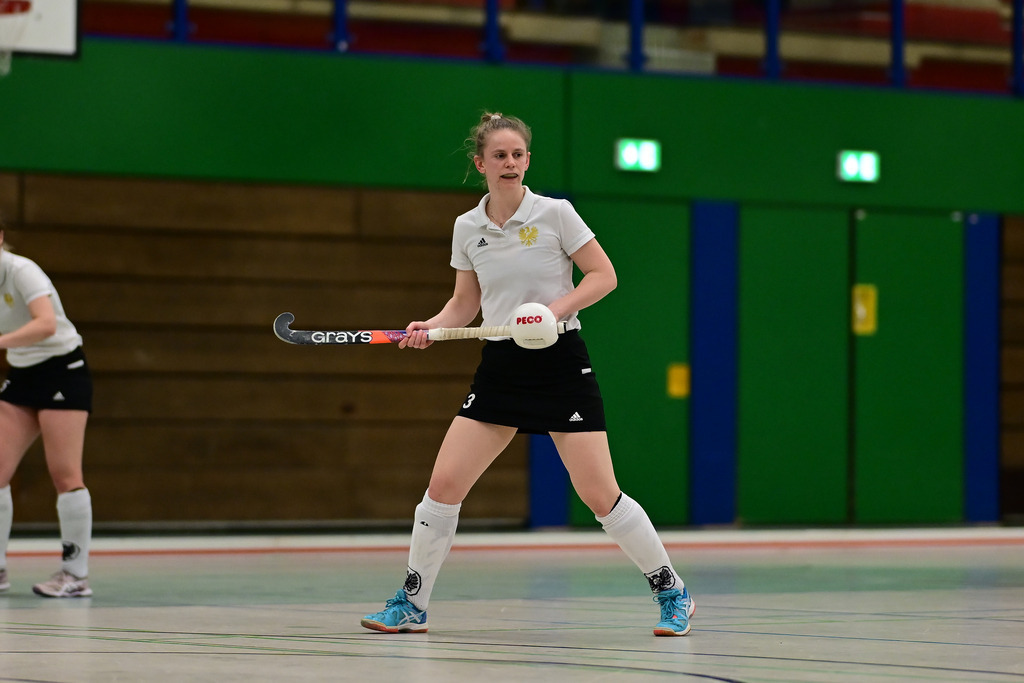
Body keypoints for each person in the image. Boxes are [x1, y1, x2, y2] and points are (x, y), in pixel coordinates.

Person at [360, 112, 694, 636]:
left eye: (518, 155)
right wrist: (429, 327)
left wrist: (552, 311)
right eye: (500, 156)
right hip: (501, 366)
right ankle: (412, 602)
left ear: (527, 160)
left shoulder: (556, 214)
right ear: (481, 164)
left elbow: (603, 275)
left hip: (559, 363)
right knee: (444, 485)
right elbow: (465, 304)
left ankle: (671, 590)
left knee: (599, 494)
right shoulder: (468, 227)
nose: (510, 163)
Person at [0, 224, 94, 598]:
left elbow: (46, 323)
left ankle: (75, 575)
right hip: (21, 374)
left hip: (62, 370)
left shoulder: (22, 271)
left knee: (65, 474)